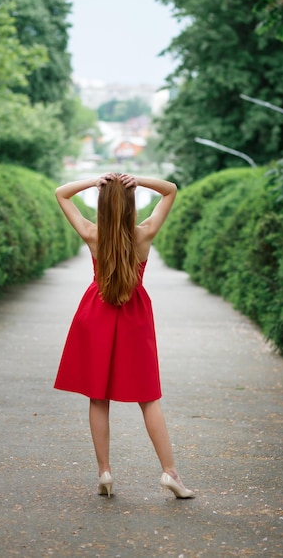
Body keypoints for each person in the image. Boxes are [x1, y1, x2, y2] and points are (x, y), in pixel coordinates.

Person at [54, 173, 194, 499]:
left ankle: (104, 472)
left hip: (97, 312)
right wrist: (139, 181)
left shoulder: (92, 234)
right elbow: (171, 190)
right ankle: (170, 473)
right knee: (148, 397)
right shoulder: (144, 234)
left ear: (101, 205)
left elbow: (61, 194)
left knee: (98, 396)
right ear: (132, 203)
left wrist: (93, 182)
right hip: (134, 316)